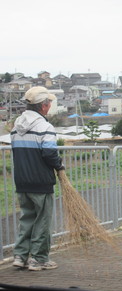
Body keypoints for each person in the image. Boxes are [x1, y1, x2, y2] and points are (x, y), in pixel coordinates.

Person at [10, 86, 64, 271]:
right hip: (41, 181)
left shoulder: (17, 125)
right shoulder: (45, 127)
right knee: (42, 221)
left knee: (27, 219)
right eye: (48, 103)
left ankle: (20, 256)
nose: (49, 106)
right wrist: (59, 165)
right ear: (43, 106)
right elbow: (49, 154)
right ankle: (39, 259)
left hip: (22, 181)